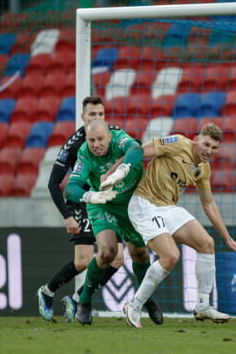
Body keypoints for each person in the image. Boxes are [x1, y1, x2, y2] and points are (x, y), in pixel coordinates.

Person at [109, 122, 236, 328]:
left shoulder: (203, 168)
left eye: (214, 148)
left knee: (207, 243)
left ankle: (202, 306)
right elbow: (137, 151)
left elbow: (208, 203)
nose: (209, 151)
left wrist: (227, 238)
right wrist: (113, 172)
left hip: (167, 208)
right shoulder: (178, 142)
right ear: (197, 139)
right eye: (206, 144)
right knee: (171, 256)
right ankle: (134, 305)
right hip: (144, 203)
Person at [64, 119, 163, 326]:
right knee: (108, 252)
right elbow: (71, 188)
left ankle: (148, 300)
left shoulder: (119, 140)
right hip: (103, 203)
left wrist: (122, 169)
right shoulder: (84, 154)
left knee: (140, 254)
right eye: (91, 140)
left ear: (109, 137)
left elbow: (136, 149)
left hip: (132, 203)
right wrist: (90, 197)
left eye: (100, 139)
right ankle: (85, 301)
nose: (96, 144)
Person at [36, 97, 125, 323]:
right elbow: (53, 182)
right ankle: (46, 292)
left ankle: (77, 298)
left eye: (101, 114)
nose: (97, 118)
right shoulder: (74, 144)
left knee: (117, 259)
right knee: (84, 261)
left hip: (108, 201)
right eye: (92, 114)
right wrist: (66, 216)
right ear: (83, 117)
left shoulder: (114, 135)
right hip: (83, 203)